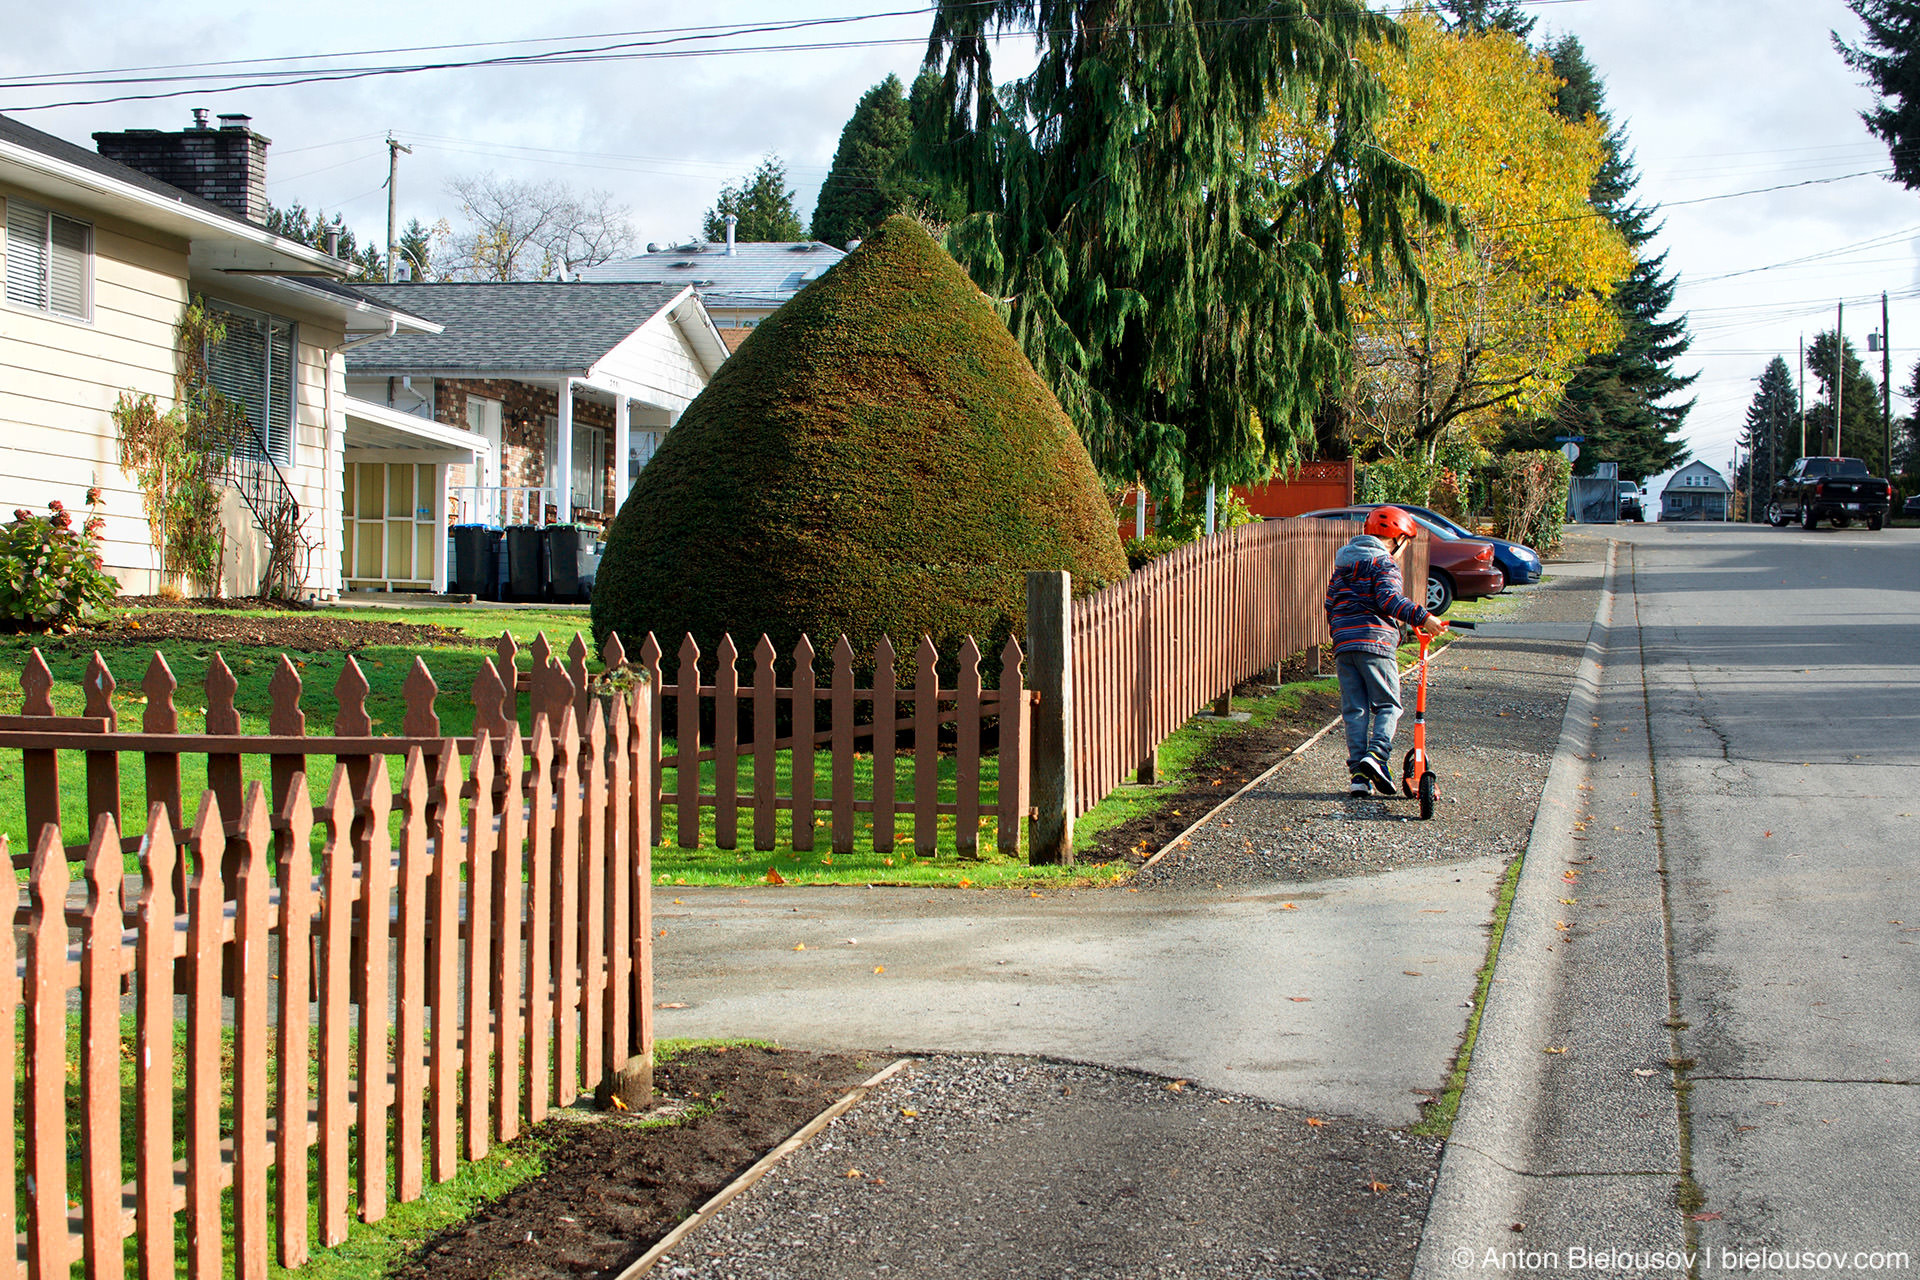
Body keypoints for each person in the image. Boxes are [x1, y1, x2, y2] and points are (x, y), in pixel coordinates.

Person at [1324, 506, 1446, 796]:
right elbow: (1389, 600)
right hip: (1375, 643)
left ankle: (1359, 778)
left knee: (1355, 709)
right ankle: (1377, 756)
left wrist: (1343, 635)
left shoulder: (1343, 565)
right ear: (1398, 538)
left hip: (1345, 644)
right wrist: (1424, 617)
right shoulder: (1384, 563)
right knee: (1389, 705)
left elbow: (1330, 604)